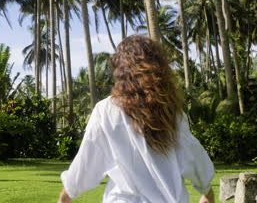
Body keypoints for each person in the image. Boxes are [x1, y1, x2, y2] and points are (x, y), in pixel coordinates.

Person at [58, 35, 215, 203]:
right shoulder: (172, 113)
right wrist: (206, 190)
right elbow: (192, 154)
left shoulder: (105, 111)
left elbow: (87, 161)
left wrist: (66, 195)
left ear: (120, 71)